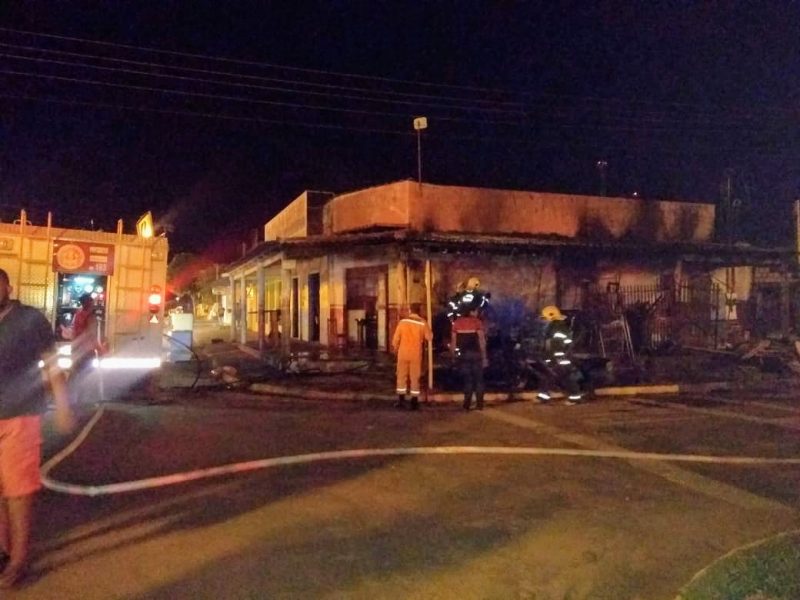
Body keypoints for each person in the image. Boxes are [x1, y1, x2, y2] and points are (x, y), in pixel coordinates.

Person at [0, 268, 74, 587]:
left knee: (18, 491)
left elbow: (51, 361)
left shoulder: (30, 319)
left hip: (21, 415)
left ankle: (18, 560)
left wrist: (63, 405)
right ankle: (3, 552)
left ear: (8, 288)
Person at [534, 305, 584, 405]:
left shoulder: (556, 328)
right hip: (560, 358)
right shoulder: (555, 327)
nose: (543, 321)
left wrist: (554, 358)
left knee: (554, 377)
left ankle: (574, 398)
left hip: (559, 358)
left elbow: (556, 345)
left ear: (551, 317)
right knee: (560, 377)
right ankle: (573, 397)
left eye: (545, 318)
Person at [391, 303, 432, 410]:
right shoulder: (422, 323)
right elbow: (429, 337)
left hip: (403, 353)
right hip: (415, 354)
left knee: (401, 376)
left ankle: (401, 400)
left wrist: (395, 348)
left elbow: (395, 339)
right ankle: (414, 402)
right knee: (415, 377)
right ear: (419, 311)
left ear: (410, 310)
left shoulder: (403, 322)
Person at [451, 306, 488, 410]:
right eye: (475, 311)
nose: (477, 313)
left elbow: (453, 341)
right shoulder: (477, 322)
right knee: (479, 380)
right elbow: (481, 341)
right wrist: (484, 356)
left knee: (467, 380)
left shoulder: (457, 323)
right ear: (471, 312)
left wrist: (453, 355)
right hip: (476, 355)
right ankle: (479, 404)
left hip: (464, 356)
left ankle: (466, 404)